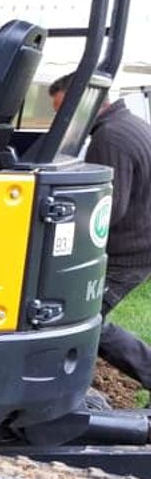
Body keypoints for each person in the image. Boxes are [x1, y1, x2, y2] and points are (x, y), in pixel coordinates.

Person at [49, 73, 151, 388]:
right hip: (140, 243)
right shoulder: (131, 125)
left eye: (63, 111)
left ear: (88, 101)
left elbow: (108, 211)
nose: (63, 120)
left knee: (82, 319)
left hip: (128, 254)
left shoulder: (109, 138)